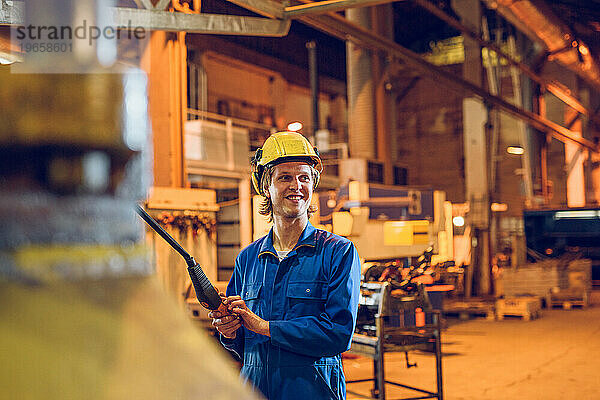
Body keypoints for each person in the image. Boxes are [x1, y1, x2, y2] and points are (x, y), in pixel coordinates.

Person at [209, 131, 361, 400]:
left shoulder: (338, 252)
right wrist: (229, 331)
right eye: (285, 177)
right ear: (266, 186)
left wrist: (265, 327)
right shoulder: (248, 259)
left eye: (304, 177)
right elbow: (243, 343)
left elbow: (338, 334)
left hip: (311, 392)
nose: (297, 186)